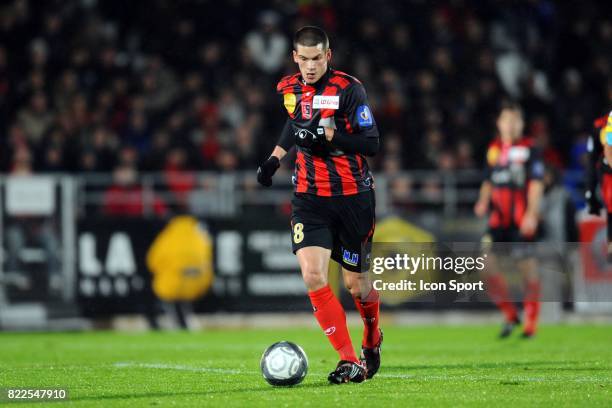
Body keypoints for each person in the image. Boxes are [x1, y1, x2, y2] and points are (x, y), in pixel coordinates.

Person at [257, 26, 381, 384]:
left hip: (353, 197)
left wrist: (330, 136)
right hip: (310, 197)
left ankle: (372, 339)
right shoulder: (287, 88)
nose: (310, 66)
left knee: (357, 286)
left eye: (317, 59)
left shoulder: (349, 89)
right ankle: (348, 360)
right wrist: (275, 157)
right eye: (303, 59)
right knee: (313, 274)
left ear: (328, 56)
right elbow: (294, 121)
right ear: (295, 58)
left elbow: (371, 143)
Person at [474, 102, 544, 338]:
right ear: (499, 123)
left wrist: (532, 214)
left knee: (527, 269)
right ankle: (510, 313)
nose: (511, 125)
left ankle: (531, 322)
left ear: (522, 124)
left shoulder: (529, 149)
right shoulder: (493, 150)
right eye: (507, 120)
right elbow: (488, 180)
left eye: (516, 121)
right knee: (485, 265)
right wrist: (483, 200)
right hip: (497, 221)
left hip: (520, 219)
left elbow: (536, 184)